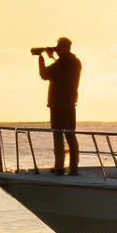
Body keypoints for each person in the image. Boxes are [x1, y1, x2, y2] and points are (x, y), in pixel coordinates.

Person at [38, 37, 81, 174]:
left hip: (58, 105)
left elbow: (44, 74)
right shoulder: (75, 62)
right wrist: (54, 57)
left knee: (58, 136)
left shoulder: (62, 63)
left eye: (58, 47)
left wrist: (41, 60)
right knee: (70, 136)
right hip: (69, 104)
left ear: (63, 48)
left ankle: (59, 167)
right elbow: (61, 70)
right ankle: (73, 168)